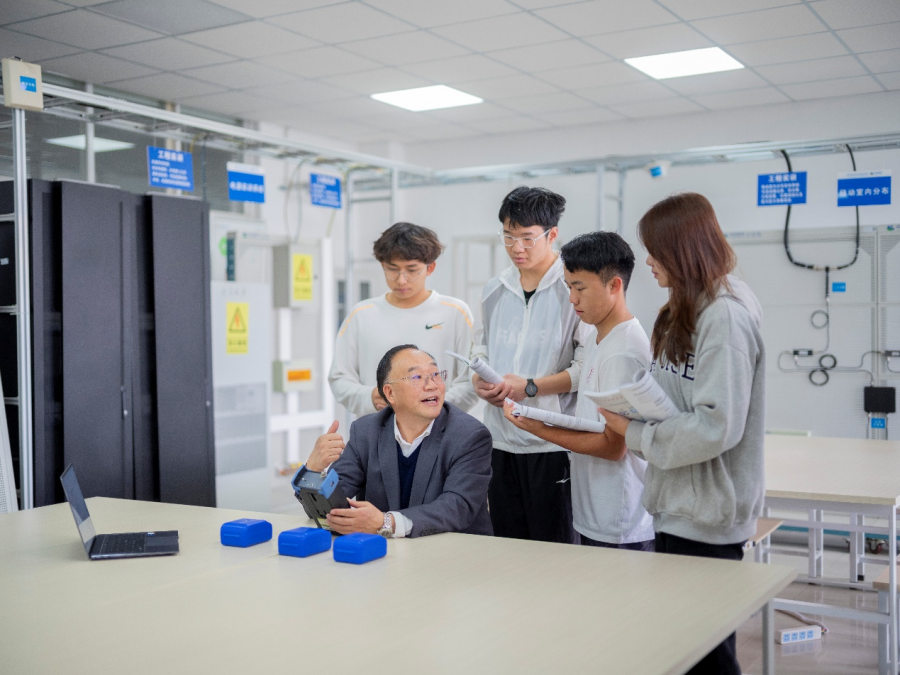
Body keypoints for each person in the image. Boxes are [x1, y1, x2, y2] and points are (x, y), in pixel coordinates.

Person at [599, 193, 765, 675]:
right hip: (679, 505)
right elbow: (680, 398)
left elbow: (717, 426)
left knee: (707, 654)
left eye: (655, 251)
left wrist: (634, 433)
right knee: (686, 646)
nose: (649, 262)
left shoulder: (725, 315)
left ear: (682, 249)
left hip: (707, 513)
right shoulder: (688, 307)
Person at [502, 231, 654, 551]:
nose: (572, 298)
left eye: (580, 288)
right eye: (568, 287)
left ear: (614, 285)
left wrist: (538, 428)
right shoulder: (598, 337)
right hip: (596, 510)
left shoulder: (624, 351)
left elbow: (614, 447)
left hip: (620, 522)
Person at [472, 186, 590, 544]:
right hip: (499, 442)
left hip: (551, 444)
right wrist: (480, 383)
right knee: (507, 549)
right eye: (508, 237)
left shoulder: (574, 289)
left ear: (552, 235)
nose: (516, 248)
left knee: (555, 554)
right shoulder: (494, 289)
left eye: (527, 238)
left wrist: (531, 387)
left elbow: (586, 369)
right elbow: (481, 350)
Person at [308, 345, 492, 538]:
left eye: (435, 374)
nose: (432, 385)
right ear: (390, 393)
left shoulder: (470, 436)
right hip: (386, 551)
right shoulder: (365, 431)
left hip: (454, 549)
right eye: (417, 377)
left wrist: (386, 522)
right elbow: (329, 508)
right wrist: (313, 470)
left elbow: (458, 507)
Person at [329, 222, 478, 418]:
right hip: (377, 427)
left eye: (412, 270)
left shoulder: (455, 312)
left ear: (430, 268)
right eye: (392, 269)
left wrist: (430, 409)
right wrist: (370, 396)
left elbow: (470, 381)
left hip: (439, 428)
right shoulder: (361, 314)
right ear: (382, 266)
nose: (401, 280)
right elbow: (339, 378)